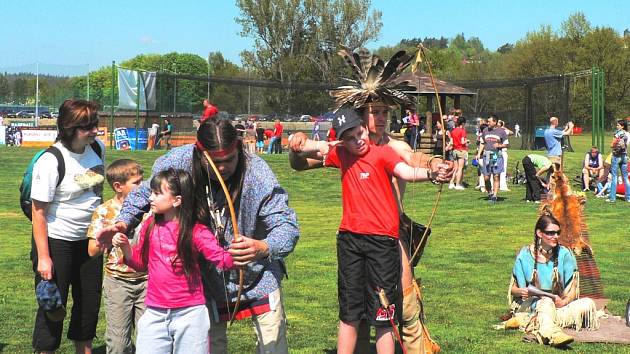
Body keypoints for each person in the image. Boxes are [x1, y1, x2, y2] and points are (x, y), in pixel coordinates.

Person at [290, 47, 451, 354]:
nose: (380, 117)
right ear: (361, 116)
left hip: (391, 236)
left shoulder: (393, 145)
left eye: (384, 112)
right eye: (374, 111)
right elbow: (302, 163)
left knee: (401, 306)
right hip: (355, 235)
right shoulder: (346, 149)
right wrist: (296, 147)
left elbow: (412, 160)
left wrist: (434, 167)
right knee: (356, 310)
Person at [96, 118, 299, 353]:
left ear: (239, 147)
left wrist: (264, 247)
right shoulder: (179, 161)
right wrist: (123, 222)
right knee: (213, 347)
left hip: (258, 274)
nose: (222, 168)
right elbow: (144, 194)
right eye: (215, 162)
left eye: (229, 160)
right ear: (199, 151)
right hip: (206, 280)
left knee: (273, 345)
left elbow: (286, 226)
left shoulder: (257, 171)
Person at [112, 168, 234, 353]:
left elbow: (222, 260)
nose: (151, 198)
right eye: (151, 192)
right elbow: (140, 264)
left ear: (177, 200)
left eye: (157, 193)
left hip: (190, 314)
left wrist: (239, 251)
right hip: (154, 311)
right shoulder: (149, 225)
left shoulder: (197, 231)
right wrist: (125, 247)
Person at [30, 99, 105, 353]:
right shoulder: (51, 160)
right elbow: (38, 213)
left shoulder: (97, 149)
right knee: (53, 305)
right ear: (70, 128)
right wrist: (43, 258)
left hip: (91, 240)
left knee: (88, 305)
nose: (95, 130)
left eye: (95, 124)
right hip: (57, 241)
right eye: (88, 127)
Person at [506, 214, 599, 348]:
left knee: (588, 304)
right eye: (550, 233)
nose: (555, 236)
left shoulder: (565, 254)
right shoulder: (525, 254)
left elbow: (572, 288)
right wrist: (521, 290)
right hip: (530, 304)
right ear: (539, 233)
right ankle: (553, 334)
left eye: (557, 232)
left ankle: (526, 320)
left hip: (558, 305)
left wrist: (564, 301)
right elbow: (513, 289)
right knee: (546, 302)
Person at [86, 159, 146, 354]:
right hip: (118, 283)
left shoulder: (151, 208)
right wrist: (107, 238)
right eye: (137, 182)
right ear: (118, 187)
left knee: (150, 340)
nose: (143, 186)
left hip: (149, 281)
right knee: (119, 344)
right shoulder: (103, 211)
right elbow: (92, 251)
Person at [476, 115, 509, 203]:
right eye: (488, 121)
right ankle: (490, 192)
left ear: (495, 122)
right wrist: (479, 153)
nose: (488, 123)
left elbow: (506, 144)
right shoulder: (485, 131)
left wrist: (499, 145)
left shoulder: (501, 132)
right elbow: (482, 143)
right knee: (486, 177)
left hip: (496, 155)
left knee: (496, 175)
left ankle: (494, 195)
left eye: (489, 121)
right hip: (486, 155)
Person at [607, 119, 630, 202]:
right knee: (625, 177)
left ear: (622, 126)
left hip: (616, 156)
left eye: (618, 125)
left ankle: (612, 198)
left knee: (614, 177)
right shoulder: (626, 134)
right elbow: (625, 146)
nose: (617, 126)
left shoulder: (617, 134)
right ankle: (628, 198)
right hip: (624, 157)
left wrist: (613, 146)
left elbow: (612, 144)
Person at [450, 116, 468, 190]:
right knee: (460, 168)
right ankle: (457, 184)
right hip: (461, 150)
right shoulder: (462, 131)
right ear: (463, 123)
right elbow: (462, 141)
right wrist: (467, 141)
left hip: (454, 150)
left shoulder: (453, 131)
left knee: (455, 168)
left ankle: (451, 183)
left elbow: (451, 142)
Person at [497, 120, 513, 192]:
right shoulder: (503, 131)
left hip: (495, 151)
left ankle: (495, 185)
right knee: (503, 169)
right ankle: (502, 186)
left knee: (494, 169)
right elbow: (511, 132)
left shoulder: (493, 131)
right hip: (502, 151)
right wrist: (504, 127)